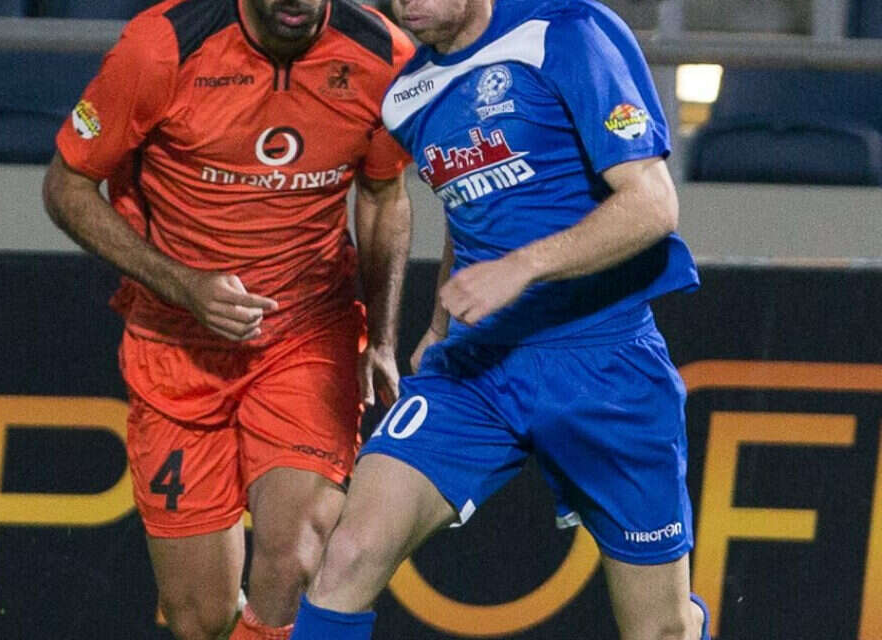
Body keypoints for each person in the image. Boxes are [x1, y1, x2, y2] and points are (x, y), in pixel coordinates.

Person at [290, 0, 712, 639]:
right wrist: (439, 324)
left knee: (661, 630)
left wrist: (523, 267)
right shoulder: (406, 98)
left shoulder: (569, 32)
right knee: (349, 553)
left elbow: (653, 205)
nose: (408, 3)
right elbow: (469, 208)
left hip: (606, 366)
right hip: (476, 368)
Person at [42, 1, 415, 639]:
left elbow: (383, 196)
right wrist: (184, 286)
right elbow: (65, 187)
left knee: (296, 556)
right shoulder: (160, 47)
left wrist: (381, 338)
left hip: (306, 335)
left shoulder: (383, 56)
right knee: (200, 619)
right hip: (176, 346)